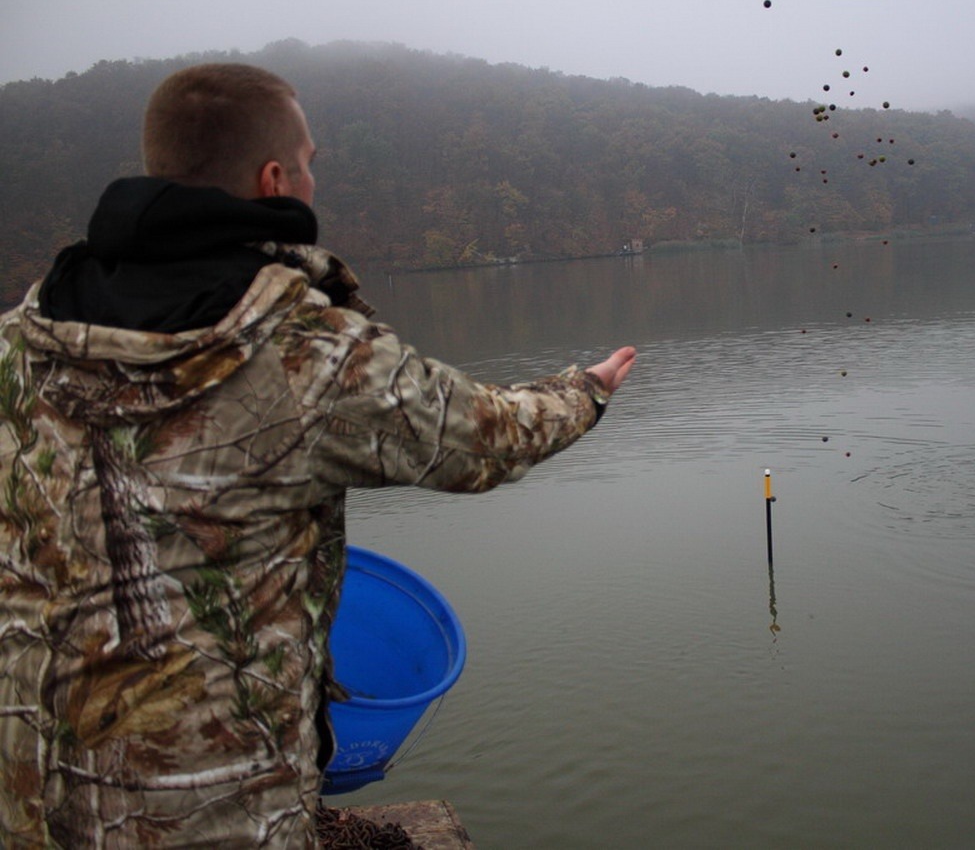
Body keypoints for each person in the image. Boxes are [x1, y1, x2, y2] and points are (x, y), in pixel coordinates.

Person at [0, 63, 635, 847]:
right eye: (310, 159)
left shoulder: (23, 339)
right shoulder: (302, 352)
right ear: (276, 179)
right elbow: (483, 439)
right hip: (213, 811)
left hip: (34, 792)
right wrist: (588, 390)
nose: (312, 173)